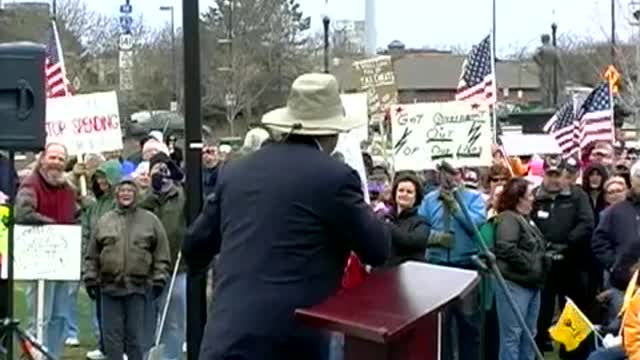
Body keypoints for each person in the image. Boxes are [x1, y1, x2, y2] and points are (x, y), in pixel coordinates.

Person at [184, 73, 390, 360]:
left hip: (226, 336)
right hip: (290, 342)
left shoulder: (237, 171)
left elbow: (195, 245)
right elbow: (378, 249)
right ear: (331, 132)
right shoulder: (334, 177)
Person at [83, 177, 171, 360]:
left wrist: (159, 278)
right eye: (122, 191)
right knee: (111, 339)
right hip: (109, 288)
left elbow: (161, 253)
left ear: (136, 194)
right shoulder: (105, 220)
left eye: (130, 191)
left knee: (136, 338)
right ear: (116, 194)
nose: (126, 194)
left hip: (139, 288)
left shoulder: (150, 221)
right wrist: (90, 277)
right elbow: (92, 254)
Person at [14, 143, 78, 359]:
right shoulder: (31, 185)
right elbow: (23, 212)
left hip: (63, 259)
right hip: (40, 259)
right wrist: (53, 226)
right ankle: (34, 356)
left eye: (61, 159)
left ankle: (53, 355)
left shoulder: (68, 188)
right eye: (52, 157)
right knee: (40, 315)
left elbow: (75, 214)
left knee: (60, 315)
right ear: (42, 159)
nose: (56, 162)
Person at [418, 164, 486, 360]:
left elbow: (476, 227)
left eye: (453, 172)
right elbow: (419, 228)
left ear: (461, 174)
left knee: (468, 322)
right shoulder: (429, 200)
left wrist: (456, 208)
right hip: (438, 268)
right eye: (445, 172)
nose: (449, 177)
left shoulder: (473, 198)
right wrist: (435, 238)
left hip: (465, 267)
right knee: (442, 323)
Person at [531, 155, 595, 353]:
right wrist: (543, 245)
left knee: (572, 310)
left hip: (571, 263)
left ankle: (572, 351)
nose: (554, 179)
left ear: (565, 174)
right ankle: (539, 347)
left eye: (558, 174)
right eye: (550, 174)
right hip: (544, 263)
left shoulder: (578, 196)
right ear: (544, 174)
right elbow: (527, 223)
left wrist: (567, 243)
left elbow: (587, 222)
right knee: (542, 310)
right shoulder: (534, 196)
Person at [494, 178, 547, 360]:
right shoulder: (509, 218)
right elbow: (505, 247)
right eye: (529, 195)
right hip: (514, 283)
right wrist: (531, 264)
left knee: (529, 334)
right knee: (512, 336)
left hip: (531, 285)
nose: (533, 198)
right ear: (518, 199)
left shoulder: (526, 219)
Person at [140, 152, 186, 360]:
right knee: (145, 318)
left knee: (173, 320)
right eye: (158, 171)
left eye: (166, 170)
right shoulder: (143, 197)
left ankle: (171, 357)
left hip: (177, 267)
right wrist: (152, 191)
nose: (163, 176)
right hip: (146, 268)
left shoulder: (182, 195)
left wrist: (179, 176)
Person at [80, 159, 123, 360]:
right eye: (98, 178)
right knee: (99, 309)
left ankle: (120, 348)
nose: (101, 182)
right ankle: (104, 346)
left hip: (116, 263)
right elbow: (87, 231)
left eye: (104, 177)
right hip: (96, 263)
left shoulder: (119, 203)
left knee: (116, 310)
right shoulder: (95, 206)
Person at [382, 173, 429, 267]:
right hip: (383, 275)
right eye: (401, 190)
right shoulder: (383, 217)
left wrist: (388, 226)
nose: (404, 194)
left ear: (416, 197)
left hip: (410, 277)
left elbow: (409, 242)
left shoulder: (421, 223)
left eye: (409, 192)